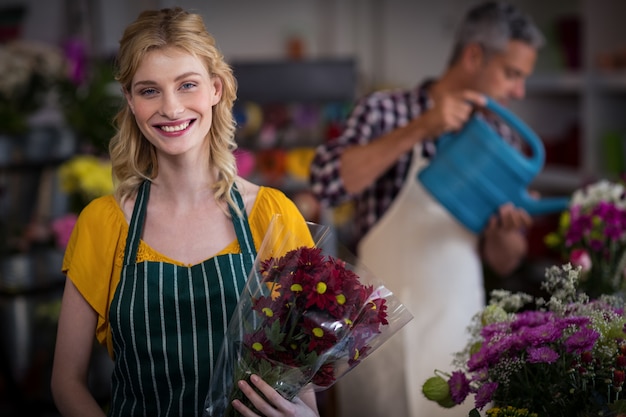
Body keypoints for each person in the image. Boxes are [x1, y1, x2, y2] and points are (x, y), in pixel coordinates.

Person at [50, 7, 319, 417]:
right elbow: (66, 382)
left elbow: (302, 387)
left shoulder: (273, 215)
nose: (171, 109)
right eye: (149, 90)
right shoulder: (103, 223)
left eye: (186, 85)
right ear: (130, 99)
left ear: (215, 88)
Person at [309, 2, 544, 416]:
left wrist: (505, 232)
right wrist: (421, 128)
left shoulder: (502, 140)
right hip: (378, 330)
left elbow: (504, 261)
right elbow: (327, 183)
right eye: (513, 73)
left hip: (459, 326)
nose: (519, 91)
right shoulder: (384, 110)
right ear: (473, 56)